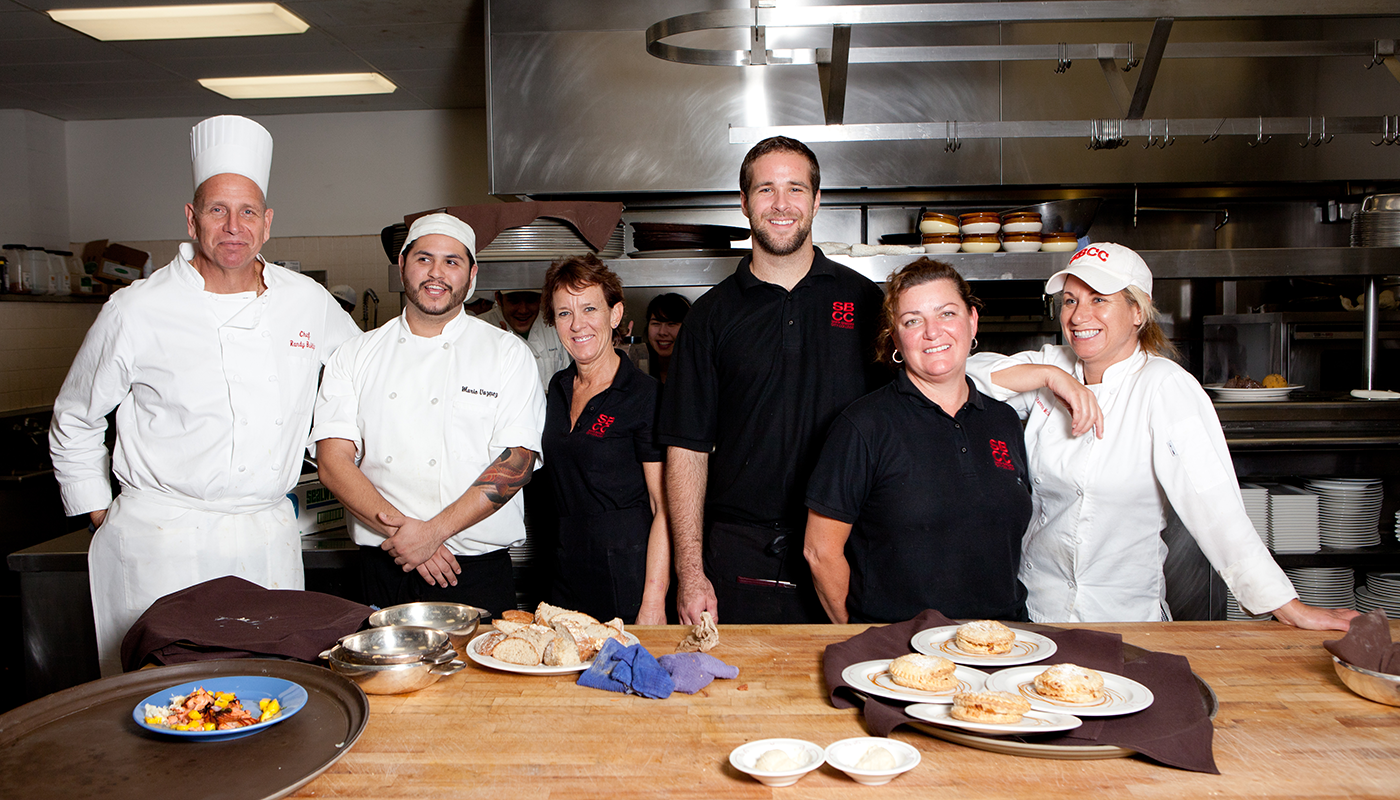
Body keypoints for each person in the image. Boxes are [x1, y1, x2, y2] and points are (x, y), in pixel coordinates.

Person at [49, 115, 361, 675]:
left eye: (247, 212)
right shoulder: (137, 308)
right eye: (217, 209)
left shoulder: (307, 302)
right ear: (192, 219)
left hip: (265, 535)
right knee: (160, 702)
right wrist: (100, 510)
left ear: (267, 224)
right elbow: (74, 417)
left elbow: (363, 379)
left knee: (269, 694)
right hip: (161, 541)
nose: (233, 226)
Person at [965, 242, 1357, 631]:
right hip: (1036, 611)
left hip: (1124, 618)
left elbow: (1215, 504)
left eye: (1099, 299)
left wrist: (1285, 606)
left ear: (1137, 312)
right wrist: (1052, 377)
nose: (1079, 314)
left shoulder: (1165, 386)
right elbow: (961, 376)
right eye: (1069, 300)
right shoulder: (1051, 364)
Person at [658, 136, 887, 625]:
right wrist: (691, 574)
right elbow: (687, 451)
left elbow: (916, 406)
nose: (781, 205)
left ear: (817, 200)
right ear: (743, 203)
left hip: (849, 549)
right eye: (765, 190)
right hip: (740, 556)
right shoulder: (709, 317)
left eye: (795, 189)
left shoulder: (868, 303)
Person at [312, 213, 545, 614]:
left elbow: (518, 462)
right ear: (402, 265)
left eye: (452, 262)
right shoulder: (355, 355)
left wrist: (433, 533)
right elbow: (333, 462)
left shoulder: (507, 354)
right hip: (385, 565)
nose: (436, 273)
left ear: (471, 276)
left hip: (475, 571)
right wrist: (408, 538)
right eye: (424, 259)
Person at [804, 259, 1033, 624]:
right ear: (895, 338)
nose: (932, 332)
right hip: (898, 657)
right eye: (913, 320)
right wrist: (860, 637)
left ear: (972, 321)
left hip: (1004, 642)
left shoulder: (1004, 420)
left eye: (946, 313)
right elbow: (820, 551)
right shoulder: (863, 426)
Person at [540, 254, 669, 624]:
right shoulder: (559, 387)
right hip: (563, 563)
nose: (577, 324)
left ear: (615, 315)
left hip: (626, 570)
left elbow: (663, 508)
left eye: (590, 309)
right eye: (564, 313)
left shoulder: (644, 396)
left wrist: (654, 600)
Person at [480, 288, 571, 390]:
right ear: (499, 299)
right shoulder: (481, 328)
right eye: (514, 301)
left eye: (530, 300)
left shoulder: (552, 325)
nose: (523, 310)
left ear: (540, 299)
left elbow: (566, 379)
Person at [645, 292, 691, 384]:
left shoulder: (700, 366)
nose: (662, 332)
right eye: (656, 324)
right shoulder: (638, 362)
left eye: (671, 324)